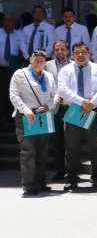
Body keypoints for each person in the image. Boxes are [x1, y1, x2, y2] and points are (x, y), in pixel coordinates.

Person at [57, 42, 97, 190]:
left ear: (89, 54)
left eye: (83, 52)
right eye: (77, 52)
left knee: (96, 148)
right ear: (72, 54)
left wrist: (89, 104)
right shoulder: (66, 70)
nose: (80, 55)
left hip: (93, 111)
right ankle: (72, 178)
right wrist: (82, 102)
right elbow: (63, 91)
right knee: (72, 148)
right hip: (73, 111)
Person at [10, 50, 58, 195]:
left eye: (41, 61)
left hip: (42, 116)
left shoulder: (48, 76)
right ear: (30, 59)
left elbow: (55, 95)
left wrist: (48, 106)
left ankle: (41, 182)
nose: (38, 63)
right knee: (28, 152)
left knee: (42, 152)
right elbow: (14, 96)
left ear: (45, 62)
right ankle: (29, 184)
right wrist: (26, 110)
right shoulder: (20, 74)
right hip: (26, 117)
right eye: (36, 60)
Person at [43, 41, 71, 180]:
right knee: (57, 141)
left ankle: (72, 171)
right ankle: (61, 170)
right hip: (54, 108)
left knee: (71, 141)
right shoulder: (47, 65)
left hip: (71, 107)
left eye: (62, 49)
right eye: (57, 49)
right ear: (53, 52)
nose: (60, 51)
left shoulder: (74, 65)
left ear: (67, 51)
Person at [1, 14, 24, 125]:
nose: (7, 23)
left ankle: (10, 115)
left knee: (11, 92)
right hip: (0, 68)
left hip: (13, 69)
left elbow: (23, 49)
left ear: (14, 23)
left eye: (10, 21)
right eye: (5, 20)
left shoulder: (20, 35)